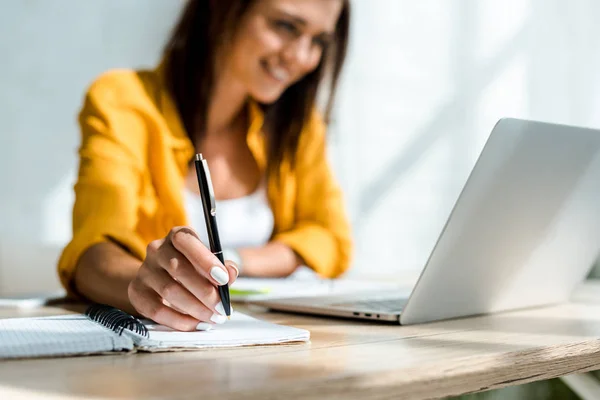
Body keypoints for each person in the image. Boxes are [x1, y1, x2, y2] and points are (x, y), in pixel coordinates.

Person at [58, 0, 352, 331]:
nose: (301, 57)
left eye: (319, 41)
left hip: (262, 345)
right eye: (285, 26)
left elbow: (330, 237)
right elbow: (91, 251)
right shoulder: (122, 101)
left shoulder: (298, 126)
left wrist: (234, 262)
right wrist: (141, 285)